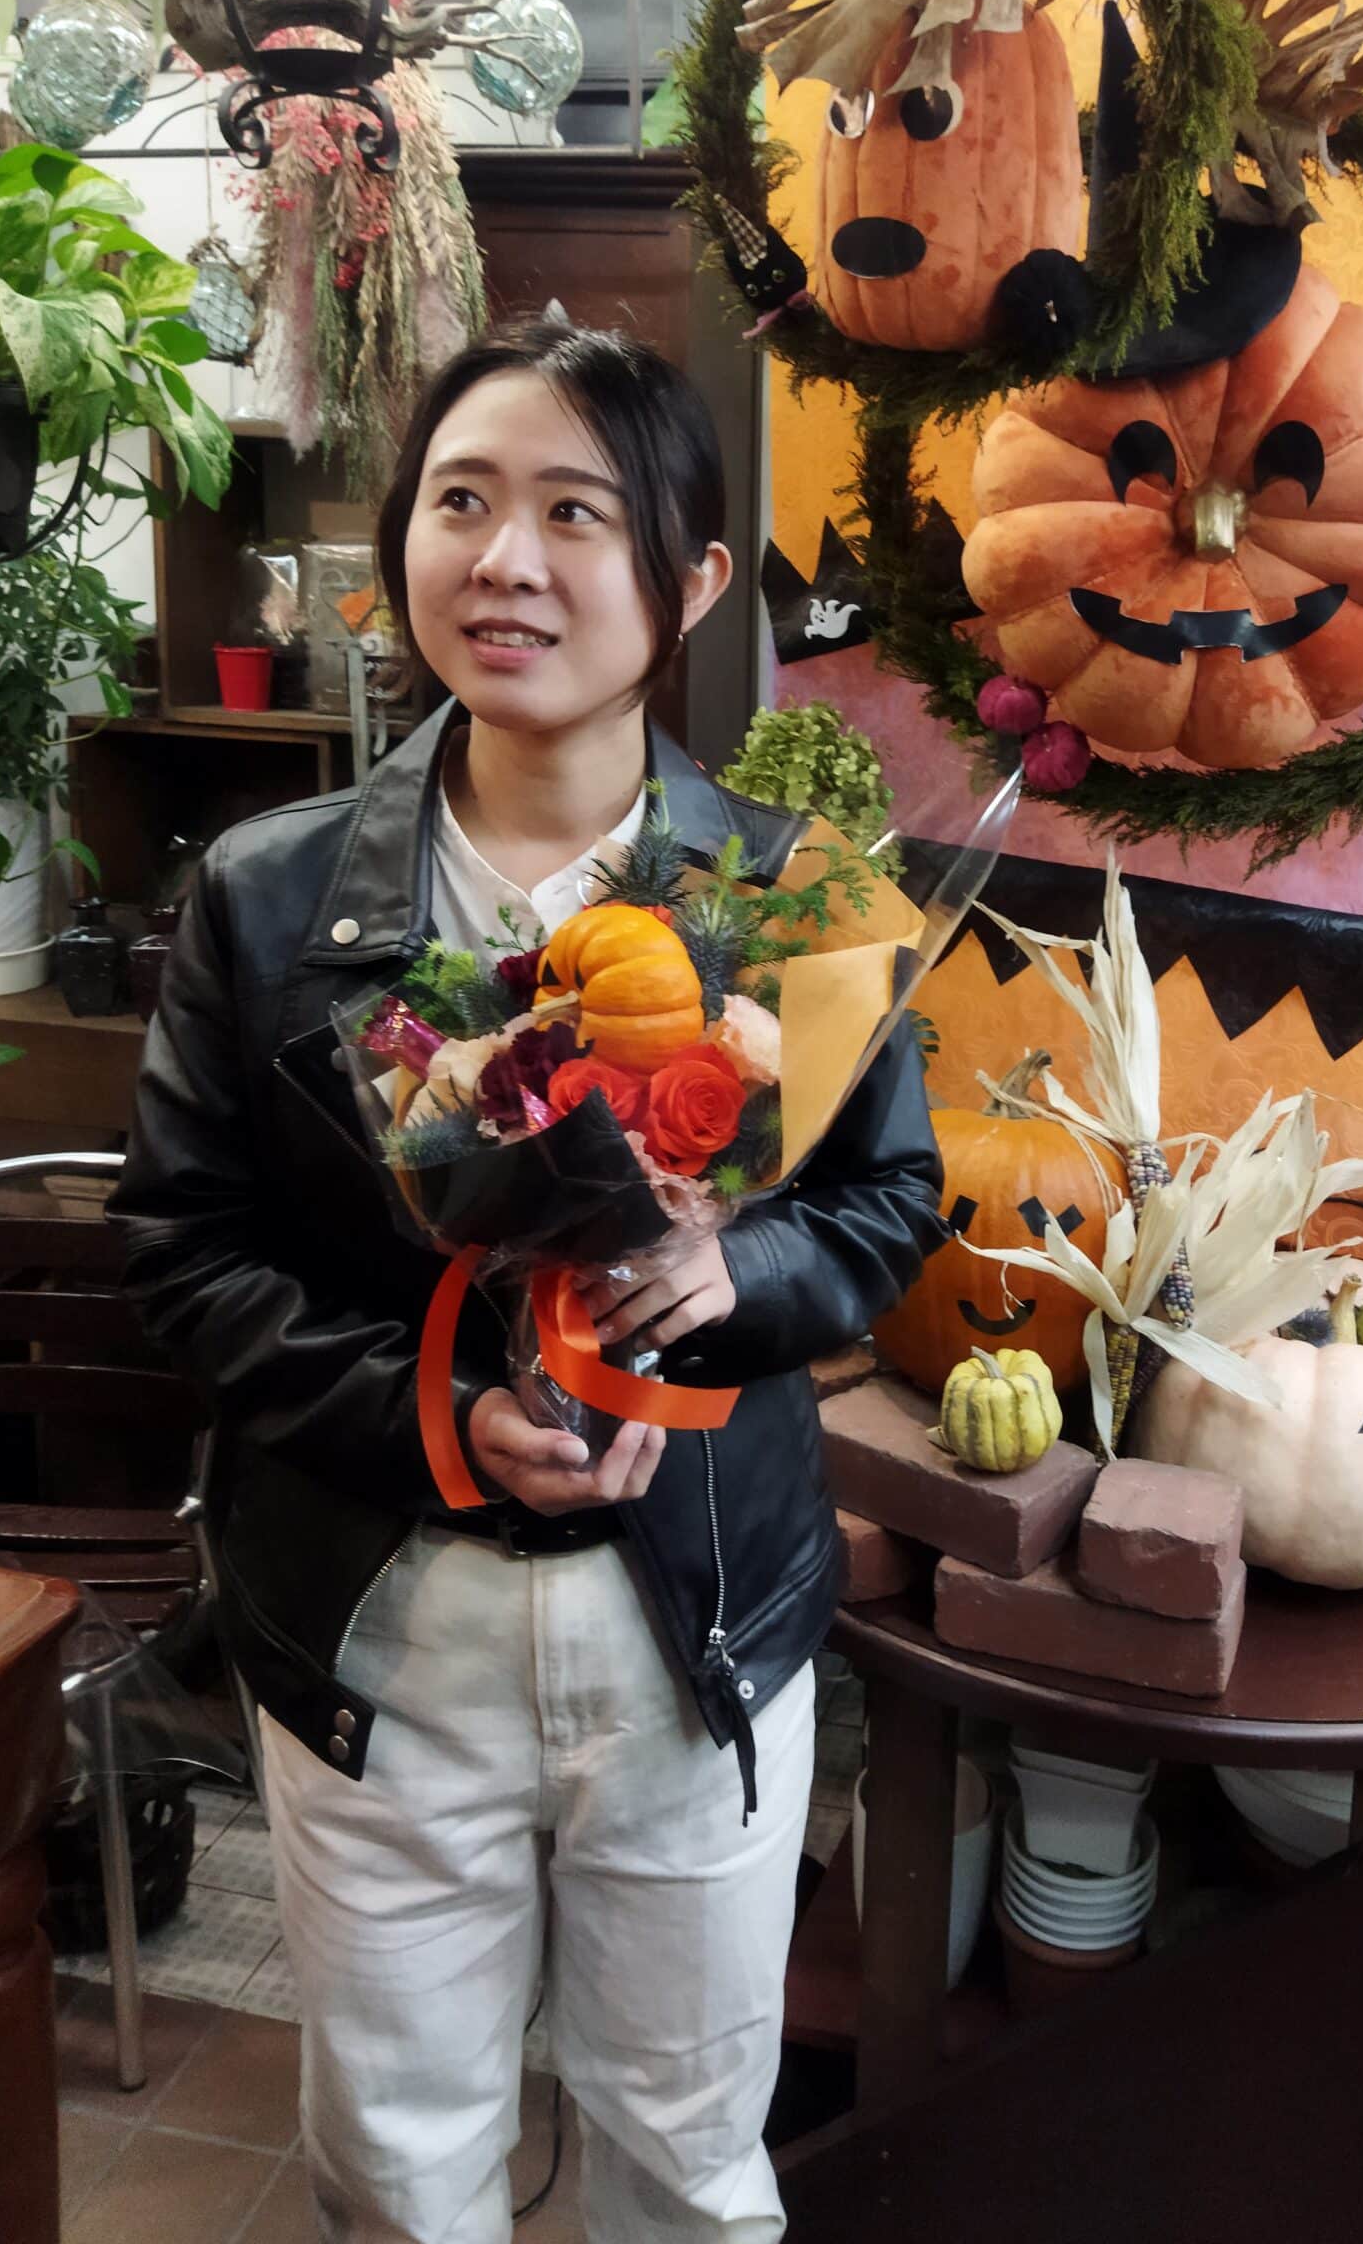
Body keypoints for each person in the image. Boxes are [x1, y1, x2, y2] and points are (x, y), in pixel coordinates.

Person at [110, 320, 945, 2243]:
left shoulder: (797, 901)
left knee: (689, 2161)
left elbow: (889, 1210)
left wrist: (728, 1273)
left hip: (696, 1627)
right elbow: (183, 1244)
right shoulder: (270, 894)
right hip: (380, 1635)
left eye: (577, 512)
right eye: (462, 502)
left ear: (693, 580)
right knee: (399, 2166)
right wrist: (433, 1411)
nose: (507, 560)